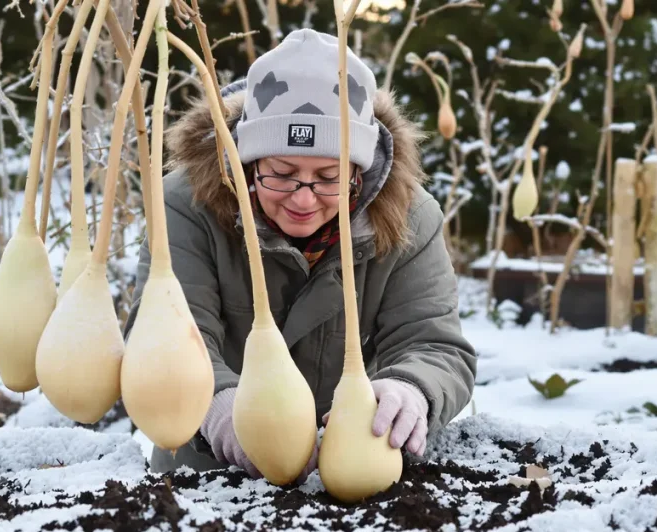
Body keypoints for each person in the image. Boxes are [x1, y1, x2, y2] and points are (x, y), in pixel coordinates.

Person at [123, 29, 476, 479]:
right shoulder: (185, 203)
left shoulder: (411, 217)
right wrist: (219, 408)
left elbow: (435, 344)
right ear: (249, 164)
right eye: (282, 174)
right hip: (205, 473)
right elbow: (161, 339)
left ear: (360, 171)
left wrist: (412, 388)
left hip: (352, 472)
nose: (303, 199)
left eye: (328, 177)